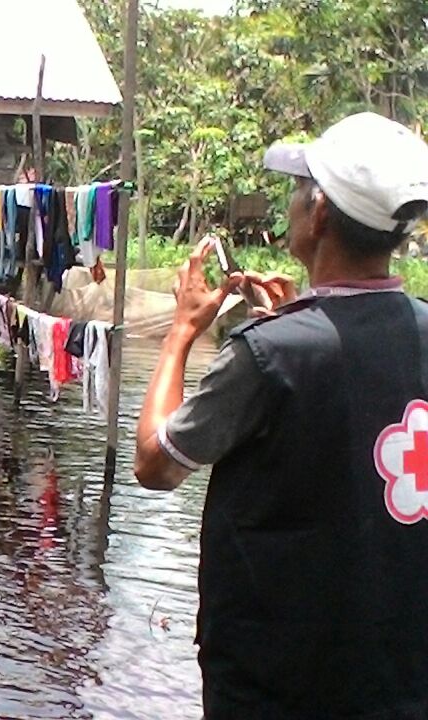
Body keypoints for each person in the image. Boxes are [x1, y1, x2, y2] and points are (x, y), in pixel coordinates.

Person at [134, 112, 428, 718]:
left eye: (300, 191)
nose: (290, 204)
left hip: (278, 684)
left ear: (319, 215)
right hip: (399, 676)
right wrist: (298, 320)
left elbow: (155, 464)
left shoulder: (268, 355)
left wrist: (181, 333)